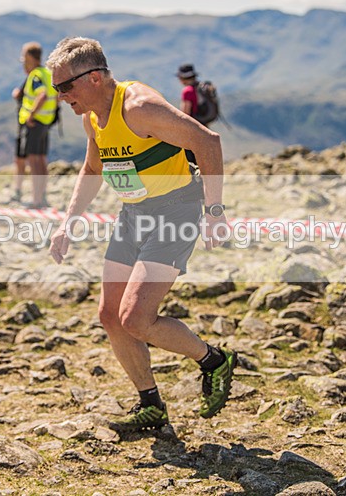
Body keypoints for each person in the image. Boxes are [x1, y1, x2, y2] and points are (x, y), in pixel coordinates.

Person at [46, 37, 237, 432]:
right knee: (110, 315)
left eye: (65, 87)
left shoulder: (139, 108)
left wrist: (215, 210)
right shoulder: (92, 117)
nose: (61, 97)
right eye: (56, 89)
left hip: (175, 212)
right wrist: (68, 221)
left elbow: (208, 141)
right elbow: (94, 169)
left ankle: (214, 361)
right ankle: (150, 403)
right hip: (134, 213)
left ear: (94, 78)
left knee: (136, 318)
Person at [13, 42, 58, 208]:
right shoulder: (47, 73)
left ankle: (36, 200)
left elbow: (42, 95)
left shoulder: (36, 75)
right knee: (41, 160)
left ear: (30, 57)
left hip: (35, 123)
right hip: (46, 122)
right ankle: (42, 197)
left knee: (33, 160)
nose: (22, 60)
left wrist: (31, 115)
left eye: (24, 56)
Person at [176, 63, 203, 166]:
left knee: (190, 158)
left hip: (191, 129)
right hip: (203, 125)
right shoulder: (199, 87)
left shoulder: (187, 91)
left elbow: (185, 114)